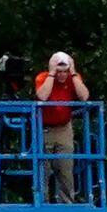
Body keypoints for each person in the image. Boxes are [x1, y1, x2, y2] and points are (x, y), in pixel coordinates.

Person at [36, 50, 96, 200]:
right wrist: (51, 74)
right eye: (59, 71)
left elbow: (84, 96)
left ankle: (66, 202)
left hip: (64, 128)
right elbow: (42, 96)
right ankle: (42, 202)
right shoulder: (43, 78)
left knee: (65, 168)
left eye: (65, 71)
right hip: (44, 128)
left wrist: (74, 73)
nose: (63, 75)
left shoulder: (72, 78)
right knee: (43, 168)